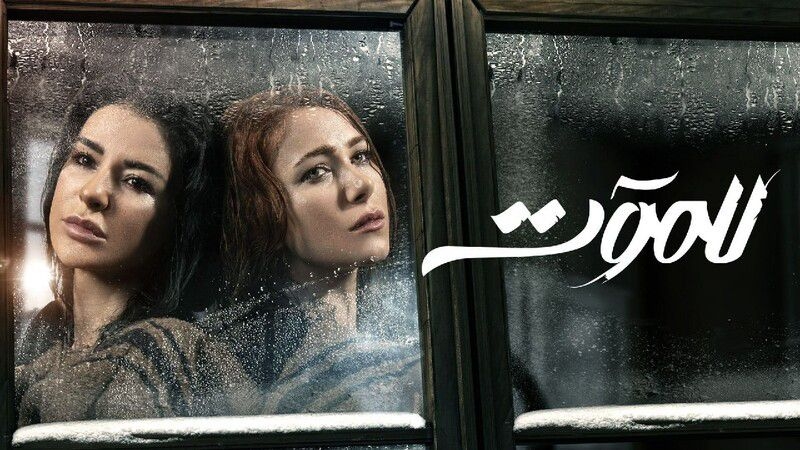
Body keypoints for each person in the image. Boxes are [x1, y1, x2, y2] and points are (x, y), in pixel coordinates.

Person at [15, 84, 258, 426]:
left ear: (178, 221)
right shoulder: (40, 337)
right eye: (84, 160)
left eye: (136, 182)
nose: (93, 193)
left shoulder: (164, 354)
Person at [201, 87, 421, 414]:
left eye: (360, 156)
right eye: (316, 172)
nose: (361, 186)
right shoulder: (229, 362)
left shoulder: (404, 336)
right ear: (259, 211)